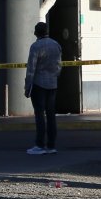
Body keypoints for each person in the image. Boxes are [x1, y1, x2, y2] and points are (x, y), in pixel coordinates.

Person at [24, 22, 62, 155]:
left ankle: (39, 144)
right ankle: (51, 145)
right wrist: (54, 77)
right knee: (51, 115)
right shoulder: (56, 45)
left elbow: (31, 69)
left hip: (39, 84)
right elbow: (59, 66)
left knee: (39, 115)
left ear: (36, 32)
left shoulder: (35, 46)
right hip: (52, 84)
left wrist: (27, 86)